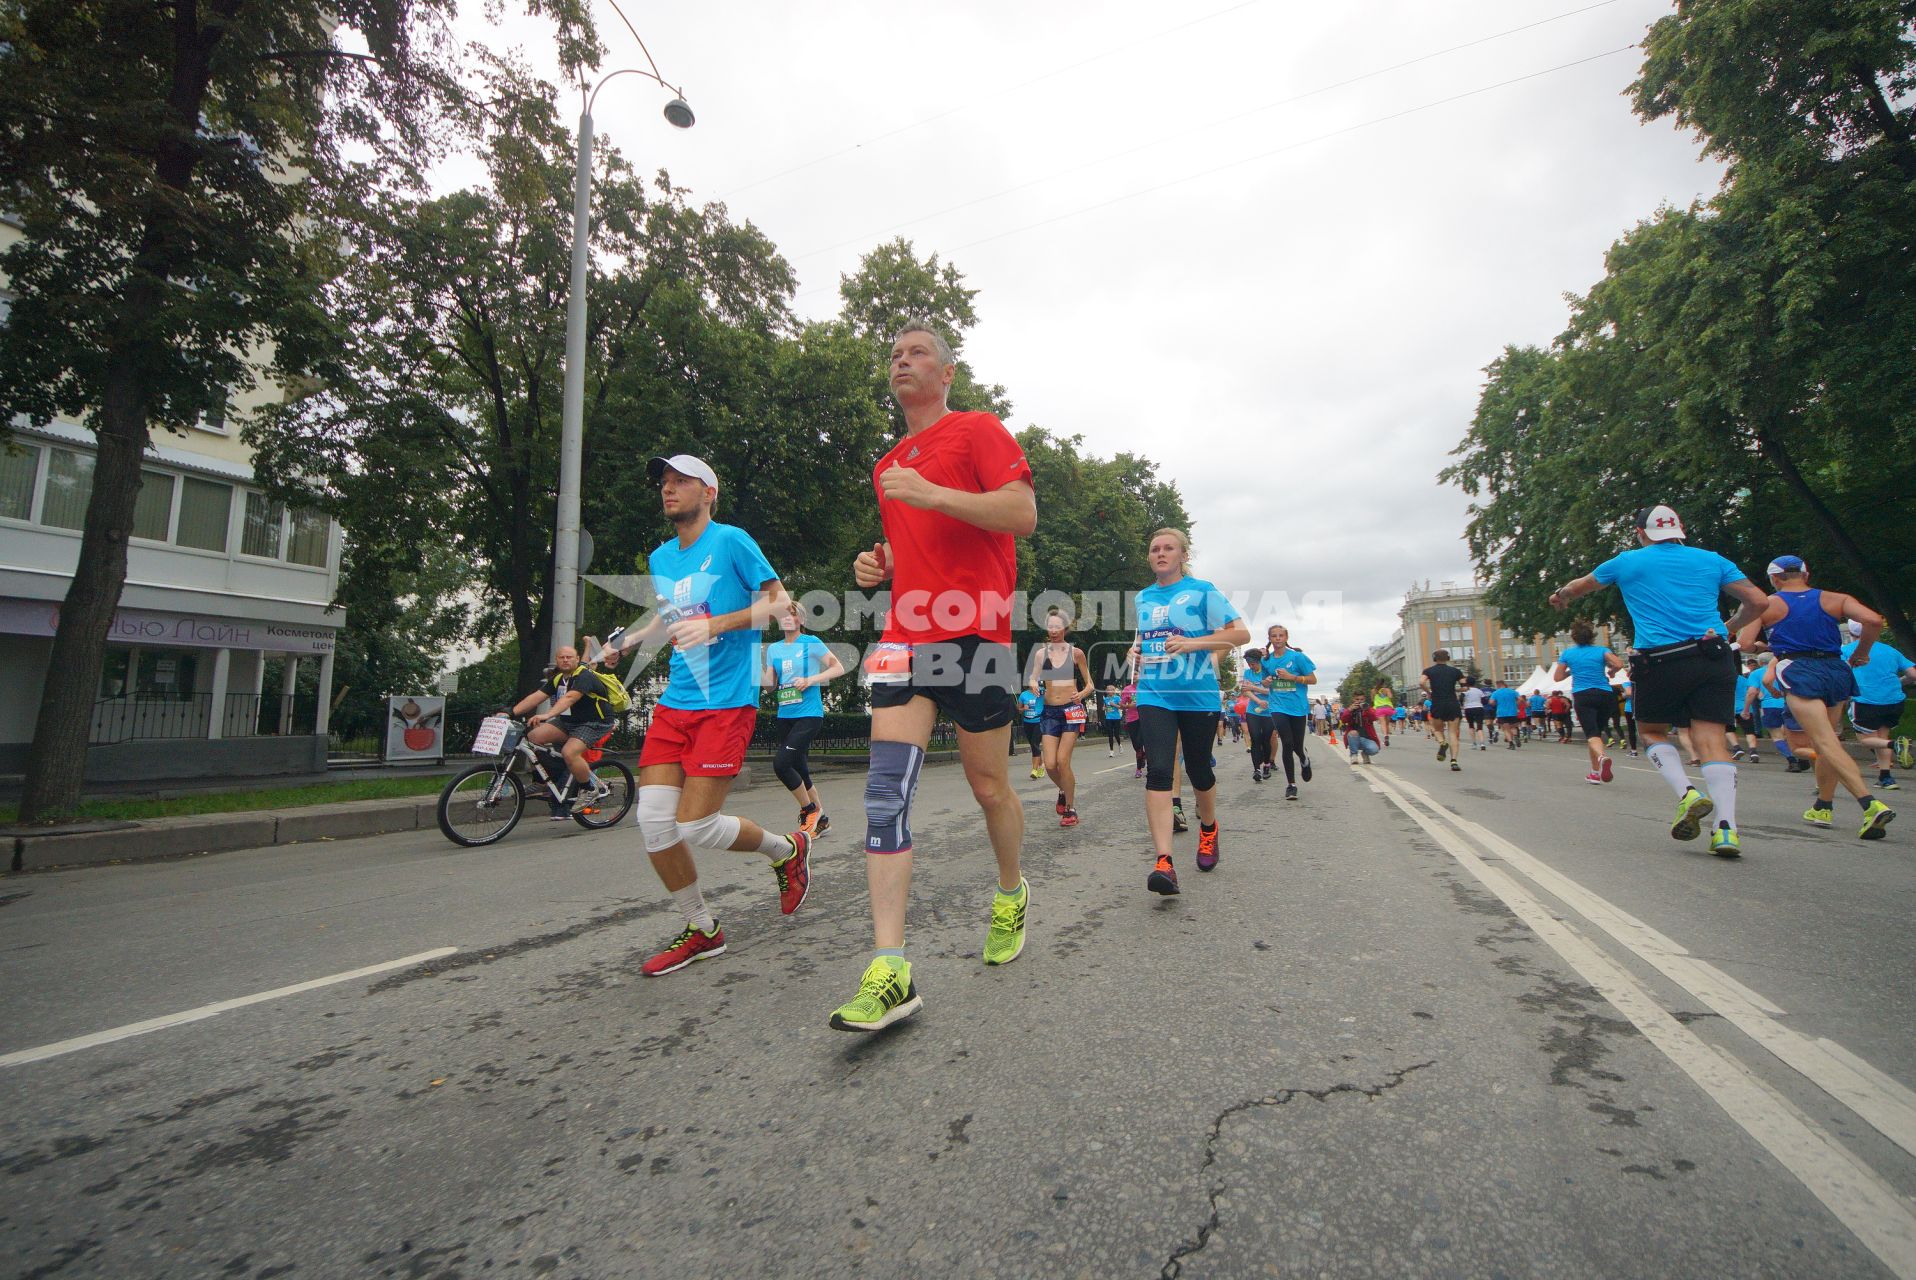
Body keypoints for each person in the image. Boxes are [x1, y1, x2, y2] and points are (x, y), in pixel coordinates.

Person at [830, 322, 1037, 1032]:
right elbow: (911, 539)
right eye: (894, 355)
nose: (902, 362)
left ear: (947, 372)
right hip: (905, 638)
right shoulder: (890, 463)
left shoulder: (977, 430)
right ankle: (890, 968)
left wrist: (932, 493)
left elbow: (1021, 513)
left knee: (989, 787)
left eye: (917, 353)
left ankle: (1010, 891)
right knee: (885, 793)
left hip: (978, 634)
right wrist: (879, 565)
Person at [600, 454, 813, 976]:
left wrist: (718, 626)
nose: (668, 490)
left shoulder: (732, 541)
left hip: (726, 702)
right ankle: (702, 929)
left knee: (694, 825)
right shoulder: (661, 557)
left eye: (680, 482)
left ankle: (786, 851)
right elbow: (669, 614)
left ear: (709, 492)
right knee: (653, 821)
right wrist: (628, 641)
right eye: (664, 483)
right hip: (677, 701)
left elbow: (781, 604)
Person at [1549, 503, 1768, 857]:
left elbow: (1580, 587)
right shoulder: (1713, 560)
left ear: (1640, 533)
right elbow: (1759, 601)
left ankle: (1687, 793)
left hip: (1660, 660)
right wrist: (1729, 628)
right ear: (1680, 530)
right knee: (1713, 739)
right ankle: (1726, 829)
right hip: (1713, 657)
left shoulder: (1627, 561)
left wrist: (1561, 595)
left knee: (1652, 731)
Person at [1737, 556, 1895, 840]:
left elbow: (1746, 643)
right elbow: (1872, 620)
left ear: (1774, 578)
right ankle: (1823, 805)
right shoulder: (1836, 598)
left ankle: (1870, 804)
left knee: (1824, 741)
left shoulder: (1768, 604)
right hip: (1835, 670)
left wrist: (1770, 643)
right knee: (1827, 740)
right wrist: (1862, 653)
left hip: (1799, 669)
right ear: (1806, 574)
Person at [1133, 529, 1249, 896]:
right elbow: (1143, 638)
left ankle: (1209, 829)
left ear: (1183, 555)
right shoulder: (1143, 597)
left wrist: (1191, 644)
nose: (1161, 553)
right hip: (1155, 694)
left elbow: (1240, 634)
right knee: (1160, 771)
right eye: (1155, 549)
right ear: (1149, 558)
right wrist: (1134, 652)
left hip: (1198, 695)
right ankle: (1164, 862)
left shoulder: (1202, 591)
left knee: (1199, 769)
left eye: (1168, 548)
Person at [764, 604, 846, 838]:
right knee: (800, 769)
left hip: (809, 715)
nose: (788, 619)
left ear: (800, 619)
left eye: (792, 614)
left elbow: (838, 667)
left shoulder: (811, 642)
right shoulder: (774, 649)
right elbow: (770, 686)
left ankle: (809, 811)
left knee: (781, 764)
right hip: (785, 715)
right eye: (784, 615)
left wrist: (811, 679)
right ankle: (822, 821)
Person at [507, 644, 615, 818]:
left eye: (569, 657)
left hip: (594, 722)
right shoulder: (558, 679)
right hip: (568, 722)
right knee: (533, 737)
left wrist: (548, 714)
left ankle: (588, 789)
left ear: (577, 659)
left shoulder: (584, 676)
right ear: (556, 660)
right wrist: (510, 712)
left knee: (569, 752)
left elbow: (570, 698)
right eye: (561, 657)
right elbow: (536, 696)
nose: (565, 660)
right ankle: (552, 777)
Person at [1028, 610, 1094, 827]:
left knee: (1063, 761)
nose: (1054, 631)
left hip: (1070, 711)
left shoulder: (1076, 654)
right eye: (1050, 627)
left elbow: (1090, 685)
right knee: (1050, 764)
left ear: (1065, 629)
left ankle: (1071, 809)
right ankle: (1064, 790)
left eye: (1058, 627)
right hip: (1049, 712)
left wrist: (1081, 694)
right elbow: (1033, 678)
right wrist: (1032, 684)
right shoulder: (1040, 654)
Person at [1842, 619, 1915, 791]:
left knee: (1866, 740)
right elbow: (1912, 674)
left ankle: (1895, 745)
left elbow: (1841, 675)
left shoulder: (1845, 651)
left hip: (1865, 699)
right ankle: (1886, 777)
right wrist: (1899, 682)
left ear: (1851, 633)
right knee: (1882, 737)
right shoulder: (1890, 650)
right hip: (1893, 700)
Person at [1552, 620, 1627, 784]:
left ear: (1574, 637)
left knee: (1592, 735)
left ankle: (1602, 757)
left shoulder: (1568, 654)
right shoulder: (1602, 650)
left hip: (1583, 695)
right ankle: (1594, 773)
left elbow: (1557, 677)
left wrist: (1571, 671)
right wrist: (1613, 672)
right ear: (1592, 636)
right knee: (1596, 735)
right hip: (1605, 695)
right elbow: (1619, 663)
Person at [1258, 624, 1316, 799]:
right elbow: (1264, 681)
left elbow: (1313, 679)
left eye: (1280, 635)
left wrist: (1293, 677)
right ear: (1269, 638)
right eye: (1274, 636)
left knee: (1297, 745)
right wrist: (1267, 682)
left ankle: (1304, 758)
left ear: (1286, 638)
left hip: (1297, 707)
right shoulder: (1266, 660)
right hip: (1277, 706)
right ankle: (1291, 784)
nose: (1277, 638)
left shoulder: (1298, 657)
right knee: (1287, 742)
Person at [1421, 650, 1465, 771]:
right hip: (1452, 703)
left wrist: (1429, 692)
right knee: (1453, 733)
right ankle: (1454, 761)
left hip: (1437, 702)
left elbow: (1421, 682)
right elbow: (1464, 687)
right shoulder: (1456, 671)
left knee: (1437, 729)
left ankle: (1442, 743)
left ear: (1434, 658)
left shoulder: (1428, 671)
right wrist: (1457, 690)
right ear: (1448, 658)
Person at [1239, 647, 1273, 782]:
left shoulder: (1268, 672)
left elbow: (1272, 691)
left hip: (1269, 712)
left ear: (1259, 661)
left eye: (1253, 663)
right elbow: (1246, 691)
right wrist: (1259, 701)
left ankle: (1267, 764)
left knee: (1266, 739)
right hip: (1253, 710)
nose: (1250, 666)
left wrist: (1254, 688)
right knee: (1255, 738)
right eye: (1249, 664)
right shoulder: (1248, 673)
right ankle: (1256, 769)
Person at [1015, 687, 1044, 778]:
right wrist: (1024, 708)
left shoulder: (1042, 692)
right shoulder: (1024, 695)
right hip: (1027, 723)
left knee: (1035, 744)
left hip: (1039, 722)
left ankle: (1034, 770)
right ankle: (1041, 765)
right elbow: (1018, 709)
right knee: (1033, 745)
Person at [1122, 678, 1144, 778]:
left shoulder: (1146, 688)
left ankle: (1139, 769)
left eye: (1137, 673)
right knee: (1137, 745)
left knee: (1146, 742)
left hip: (1145, 717)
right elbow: (1122, 705)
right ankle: (1143, 756)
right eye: (1133, 674)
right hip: (1132, 719)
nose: (1135, 676)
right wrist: (1129, 705)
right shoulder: (1127, 689)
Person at [1491, 680, 1521, 749]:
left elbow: (1491, 702)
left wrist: (1496, 704)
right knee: (1513, 727)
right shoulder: (1513, 691)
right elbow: (1520, 699)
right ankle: (1516, 736)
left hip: (1502, 713)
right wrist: (1516, 705)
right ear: (1504, 684)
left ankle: (1511, 744)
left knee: (1506, 729)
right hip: (1513, 712)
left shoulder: (1496, 693)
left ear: (1498, 685)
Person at [1461, 679, 1488, 751]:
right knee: (1479, 726)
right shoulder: (1479, 691)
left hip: (1468, 708)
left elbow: (1461, 697)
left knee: (1471, 725)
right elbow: (1485, 701)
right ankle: (1482, 743)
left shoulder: (1466, 690)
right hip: (1479, 708)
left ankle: (1474, 743)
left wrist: (1462, 704)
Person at [1101, 683, 1125, 757]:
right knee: (1110, 735)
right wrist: (1104, 708)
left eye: (1111, 690)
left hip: (1116, 718)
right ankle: (1111, 751)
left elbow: (1121, 707)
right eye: (1108, 690)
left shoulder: (1117, 698)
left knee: (1116, 734)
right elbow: (1104, 707)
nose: (1109, 691)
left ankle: (1120, 745)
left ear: (1114, 691)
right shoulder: (1106, 699)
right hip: (1108, 718)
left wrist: (1114, 705)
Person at [1371, 681, 1396, 747]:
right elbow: (1390, 697)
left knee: (1383, 723)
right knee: (1387, 724)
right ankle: (1387, 737)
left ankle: (1385, 736)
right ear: (1384, 684)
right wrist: (1386, 693)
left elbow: (1372, 700)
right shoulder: (1387, 690)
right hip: (1388, 708)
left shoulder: (1373, 691)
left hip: (1379, 708)